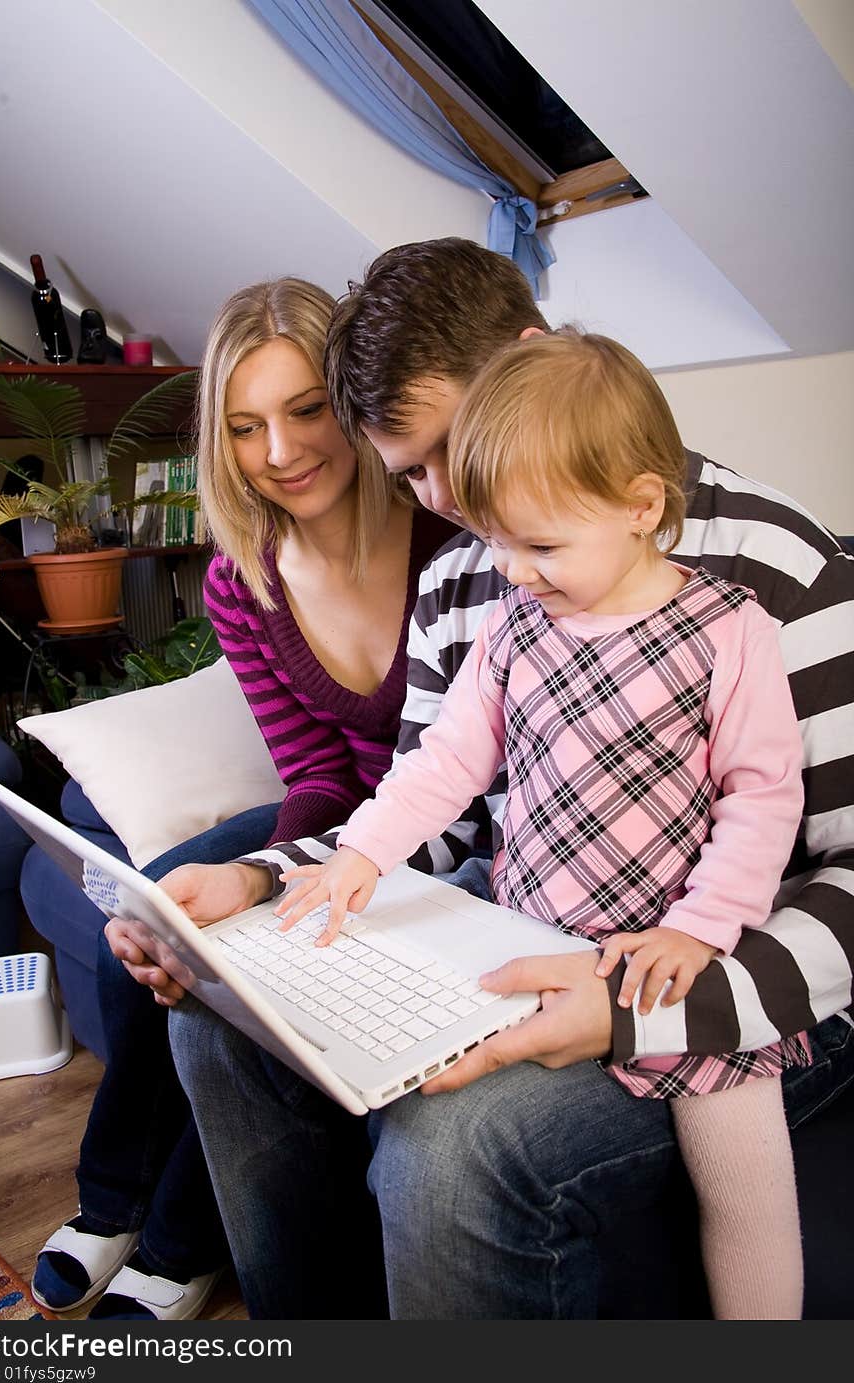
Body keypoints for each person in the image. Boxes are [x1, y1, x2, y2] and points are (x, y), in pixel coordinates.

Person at [110, 239, 854, 1319]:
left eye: (458, 445)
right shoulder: (473, 576)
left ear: (535, 360)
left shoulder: (767, 571)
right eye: (411, 472)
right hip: (532, 930)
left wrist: (630, 1010)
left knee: (449, 1146)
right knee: (217, 1021)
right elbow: (441, 804)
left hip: (725, 982)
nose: (454, 499)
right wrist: (264, 881)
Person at [275, 329, 808, 1319]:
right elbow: (445, 763)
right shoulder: (515, 626)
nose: (514, 572)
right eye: (498, 543)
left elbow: (763, 797)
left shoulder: (730, 630)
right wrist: (362, 851)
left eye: (543, 544)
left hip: (664, 969)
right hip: (526, 944)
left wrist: (700, 930)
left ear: (641, 506)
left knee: (747, 1202)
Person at [31, 277, 455, 1320]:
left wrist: (274, 884)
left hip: (426, 825)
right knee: (159, 910)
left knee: (237, 972)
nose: (280, 451)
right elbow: (309, 769)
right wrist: (249, 872)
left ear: (354, 400)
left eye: (306, 409)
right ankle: (110, 1202)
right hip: (330, 808)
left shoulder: (447, 532)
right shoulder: (242, 577)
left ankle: (178, 1245)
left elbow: (455, 779)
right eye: (245, 425)